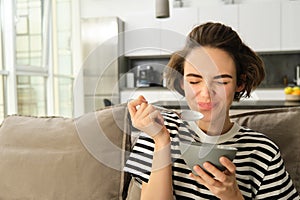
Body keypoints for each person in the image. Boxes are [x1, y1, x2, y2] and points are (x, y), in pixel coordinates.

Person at [124, 22, 300, 200]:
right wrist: (162, 142)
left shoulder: (262, 151)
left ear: (240, 83)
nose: (206, 94)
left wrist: (233, 196)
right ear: (181, 83)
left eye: (221, 81)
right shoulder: (157, 131)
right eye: (194, 81)